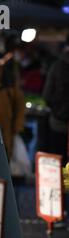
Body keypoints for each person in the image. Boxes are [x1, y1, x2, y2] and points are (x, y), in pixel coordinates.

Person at [43, 34, 69, 164]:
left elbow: (47, 95)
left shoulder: (57, 66)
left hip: (58, 121)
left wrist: (58, 110)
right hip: (59, 121)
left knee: (58, 160)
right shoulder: (57, 66)